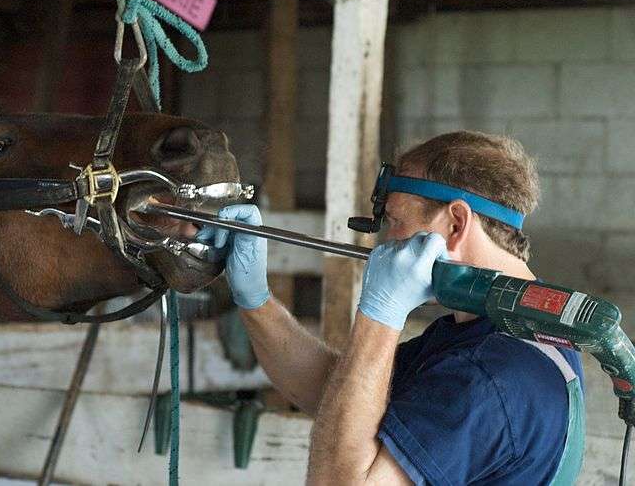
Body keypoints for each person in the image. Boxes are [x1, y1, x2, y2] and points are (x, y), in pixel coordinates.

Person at [197, 131, 585, 485]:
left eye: (396, 220)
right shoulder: (511, 327)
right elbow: (339, 395)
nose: (385, 243)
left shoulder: (487, 374)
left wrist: (380, 315)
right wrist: (254, 298)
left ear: (455, 224)